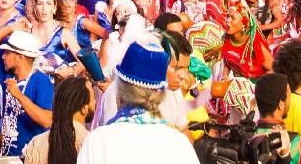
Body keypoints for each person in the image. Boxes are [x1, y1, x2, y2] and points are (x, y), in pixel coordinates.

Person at [78, 35, 200, 164]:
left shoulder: (98, 142)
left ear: (120, 91)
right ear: (161, 94)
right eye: (177, 67)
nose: (183, 75)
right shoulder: (179, 144)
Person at [19, 74, 90, 164]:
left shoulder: (36, 144)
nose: (96, 102)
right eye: (94, 98)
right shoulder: (91, 141)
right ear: (84, 108)